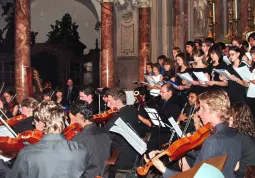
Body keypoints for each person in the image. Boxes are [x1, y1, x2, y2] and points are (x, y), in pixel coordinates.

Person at [145, 89, 242, 178]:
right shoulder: (234, 134)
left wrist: (163, 169)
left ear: (216, 111)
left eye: (203, 108)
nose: (199, 113)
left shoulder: (213, 140)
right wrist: (173, 151)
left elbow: (193, 176)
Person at [0, 100, 89, 178]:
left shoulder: (27, 153)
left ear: (42, 124)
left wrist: (2, 166)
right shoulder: (81, 149)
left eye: (34, 122)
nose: (34, 125)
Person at [106, 88, 145, 177]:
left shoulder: (115, 119)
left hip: (120, 160)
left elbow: (106, 138)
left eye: (109, 101)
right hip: (135, 156)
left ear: (118, 101)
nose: (108, 105)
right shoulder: (133, 111)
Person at [70, 100, 111, 178]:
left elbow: (75, 169)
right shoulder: (105, 132)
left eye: (72, 118)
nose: (71, 123)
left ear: (80, 116)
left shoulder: (78, 140)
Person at [228, 103, 255, 178]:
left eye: (230, 119)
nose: (228, 122)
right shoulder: (249, 132)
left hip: (244, 174)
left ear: (238, 119)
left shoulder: (237, 137)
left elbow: (235, 167)